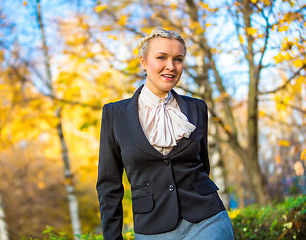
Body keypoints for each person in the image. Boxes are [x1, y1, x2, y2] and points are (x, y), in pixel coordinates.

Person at [96, 28, 234, 240]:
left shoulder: (197, 108)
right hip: (152, 227)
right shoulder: (115, 114)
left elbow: (203, 166)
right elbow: (109, 185)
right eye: (161, 57)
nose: (171, 66)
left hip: (207, 219)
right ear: (143, 61)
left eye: (178, 59)